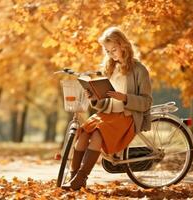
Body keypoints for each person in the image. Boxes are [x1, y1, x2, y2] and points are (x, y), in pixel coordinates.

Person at [62, 27, 152, 190]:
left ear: (123, 45)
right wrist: (94, 99)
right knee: (83, 133)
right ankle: (74, 177)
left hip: (126, 117)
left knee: (97, 134)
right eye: (108, 51)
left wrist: (124, 98)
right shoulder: (110, 68)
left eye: (114, 50)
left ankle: (81, 178)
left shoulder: (140, 70)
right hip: (107, 114)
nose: (111, 54)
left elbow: (146, 102)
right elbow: (105, 100)